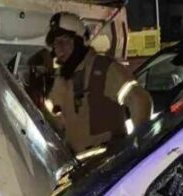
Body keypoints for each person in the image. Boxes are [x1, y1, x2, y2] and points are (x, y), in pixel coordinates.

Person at [46, 12, 152, 153]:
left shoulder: (103, 69)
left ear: (79, 41)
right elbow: (58, 120)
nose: (59, 49)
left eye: (64, 41)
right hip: (80, 170)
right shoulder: (63, 77)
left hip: (109, 166)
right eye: (55, 44)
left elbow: (141, 101)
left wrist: (140, 146)